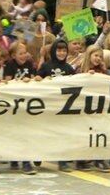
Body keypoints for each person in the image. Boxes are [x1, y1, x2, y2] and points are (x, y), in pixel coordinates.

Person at [37, 39, 77, 172]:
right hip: (47, 105)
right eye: (59, 50)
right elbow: (37, 81)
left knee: (62, 134)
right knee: (44, 132)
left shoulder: (69, 68)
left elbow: (77, 83)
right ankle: (38, 154)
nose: (61, 53)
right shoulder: (46, 66)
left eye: (64, 50)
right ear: (54, 51)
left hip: (63, 106)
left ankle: (63, 161)